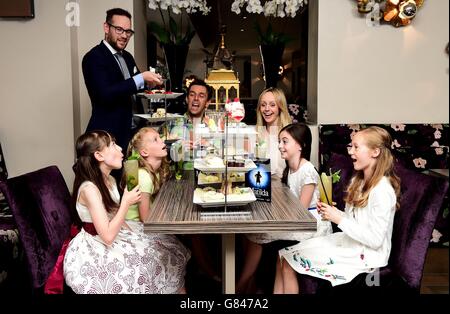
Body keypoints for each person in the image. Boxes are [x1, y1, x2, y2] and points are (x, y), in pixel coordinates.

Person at [274, 126, 401, 293]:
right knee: (282, 255)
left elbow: (375, 240)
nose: (350, 152)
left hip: (366, 255)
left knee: (290, 262)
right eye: (351, 146)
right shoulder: (359, 181)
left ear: (375, 152)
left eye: (356, 147)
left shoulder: (382, 191)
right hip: (348, 242)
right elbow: (353, 220)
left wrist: (338, 219)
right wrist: (332, 212)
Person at [63, 130, 188, 294]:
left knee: (164, 249)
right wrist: (126, 202)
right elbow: (107, 237)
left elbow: (116, 218)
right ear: (99, 155)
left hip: (117, 232)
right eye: (113, 145)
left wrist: (137, 237)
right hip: (96, 245)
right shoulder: (90, 189)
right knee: (146, 265)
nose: (121, 149)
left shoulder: (110, 180)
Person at [237, 123, 332, 293]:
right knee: (275, 252)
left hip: (311, 226)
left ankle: (240, 285)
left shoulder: (307, 171)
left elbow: (300, 212)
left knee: (262, 233)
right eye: (279, 141)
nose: (280, 146)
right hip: (298, 221)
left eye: (285, 141)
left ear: (301, 145)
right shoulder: (289, 170)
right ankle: (244, 284)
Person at [82, 8, 163, 152]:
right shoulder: (94, 57)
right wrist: (141, 78)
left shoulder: (127, 57)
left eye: (128, 32)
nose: (124, 35)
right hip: (107, 137)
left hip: (132, 133)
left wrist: (148, 84)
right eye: (119, 30)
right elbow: (104, 94)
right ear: (106, 27)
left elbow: (134, 88)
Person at [255, 88, 292, 178]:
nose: (267, 109)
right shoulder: (255, 134)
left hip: (284, 188)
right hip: (261, 188)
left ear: (280, 107)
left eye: (272, 105)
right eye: (263, 105)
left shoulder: (290, 135)